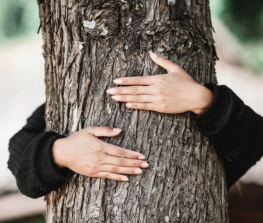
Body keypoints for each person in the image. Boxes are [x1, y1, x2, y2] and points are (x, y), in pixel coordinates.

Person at [8, 52, 263, 198]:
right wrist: (60, 152)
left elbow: (254, 141)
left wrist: (203, 100)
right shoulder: (64, 100)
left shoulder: (202, 82)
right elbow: (19, 160)